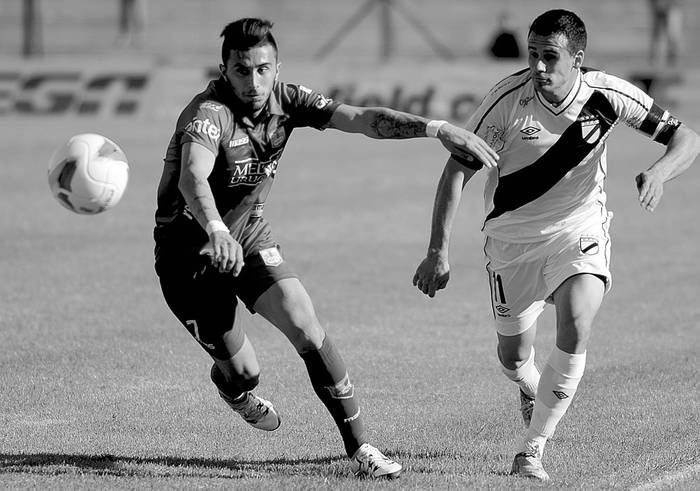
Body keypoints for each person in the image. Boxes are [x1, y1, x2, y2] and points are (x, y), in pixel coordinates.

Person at [153, 17, 498, 480]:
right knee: (245, 372)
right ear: (224, 69)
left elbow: (361, 119)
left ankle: (361, 450)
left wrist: (437, 129)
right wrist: (214, 228)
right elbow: (192, 176)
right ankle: (231, 386)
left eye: (262, 69)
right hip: (188, 257)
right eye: (240, 70)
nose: (253, 81)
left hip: (248, 234)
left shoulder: (289, 100)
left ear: (276, 67)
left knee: (304, 322)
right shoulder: (208, 113)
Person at [413, 9, 699, 482]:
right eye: (532, 56)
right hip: (512, 243)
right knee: (512, 357)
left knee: (577, 322)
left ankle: (533, 449)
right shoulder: (506, 100)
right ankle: (529, 386)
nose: (539, 68)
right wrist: (438, 252)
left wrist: (660, 172)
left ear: (577, 59)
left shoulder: (607, 95)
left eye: (550, 57)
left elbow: (685, 137)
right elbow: (457, 171)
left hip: (579, 230)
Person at [648, 0, 683, 68]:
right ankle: (655, 62)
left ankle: (672, 63)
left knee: (673, 36)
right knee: (658, 36)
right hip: (660, 10)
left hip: (671, 9)